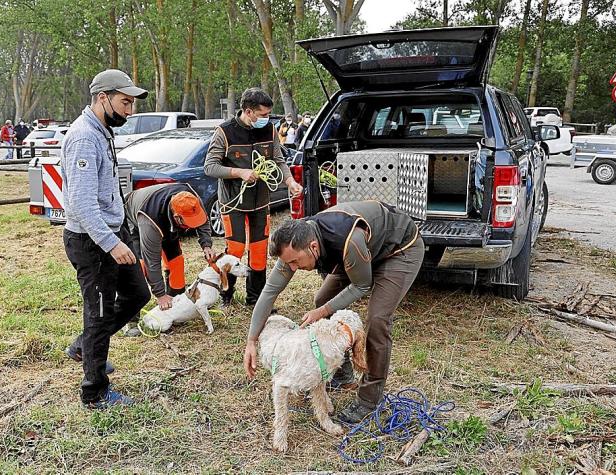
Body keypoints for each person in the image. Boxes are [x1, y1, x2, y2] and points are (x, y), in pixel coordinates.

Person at [243, 200, 425, 424]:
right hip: (361, 255)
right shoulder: (295, 243)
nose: (291, 268)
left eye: (294, 262)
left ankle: (369, 400)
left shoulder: (349, 240)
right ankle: (343, 373)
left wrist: (322, 312)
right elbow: (270, 291)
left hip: (398, 250)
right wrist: (251, 340)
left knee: (377, 318)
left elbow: (362, 285)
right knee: (322, 298)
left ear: (313, 247)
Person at [60, 69, 151, 409]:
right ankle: (94, 391)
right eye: (125, 102)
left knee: (137, 294)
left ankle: (86, 346)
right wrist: (110, 243)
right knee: (98, 314)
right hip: (93, 242)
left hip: (112, 232)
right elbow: (81, 204)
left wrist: (120, 231)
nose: (130, 110)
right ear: (103, 98)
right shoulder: (85, 137)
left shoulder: (102, 132)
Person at [204, 87, 303, 306]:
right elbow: (210, 167)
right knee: (236, 249)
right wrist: (239, 172)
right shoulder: (224, 132)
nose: (267, 119)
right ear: (248, 112)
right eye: (263, 115)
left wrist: (290, 181)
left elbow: (278, 159)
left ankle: (255, 299)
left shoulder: (269, 130)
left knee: (259, 251)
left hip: (260, 201)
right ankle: (225, 297)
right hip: (233, 202)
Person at [124, 183, 215, 311]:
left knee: (176, 262)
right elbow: (152, 262)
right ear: (177, 218)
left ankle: (176, 303)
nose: (192, 226)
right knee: (141, 266)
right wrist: (160, 295)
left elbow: (203, 221)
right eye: (189, 222)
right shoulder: (150, 222)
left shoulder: (192, 200)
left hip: (166, 218)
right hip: (134, 217)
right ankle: (131, 317)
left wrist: (206, 245)